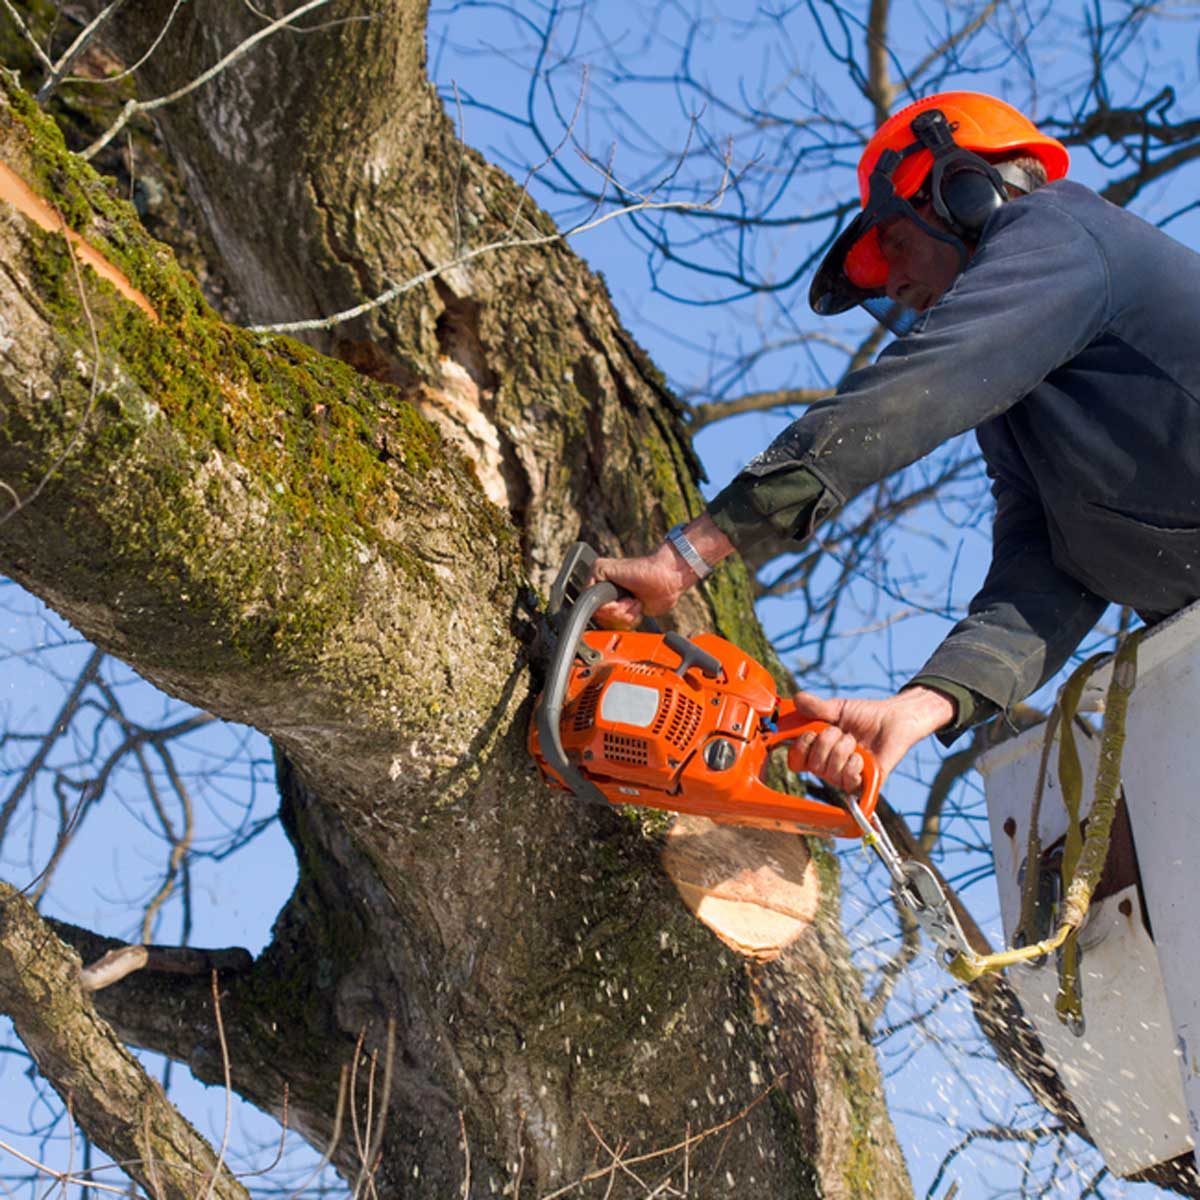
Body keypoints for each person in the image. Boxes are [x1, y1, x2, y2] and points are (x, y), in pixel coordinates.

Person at [592, 90, 1200, 795]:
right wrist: (919, 708)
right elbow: (1046, 576)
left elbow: (912, 391)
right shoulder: (1022, 411)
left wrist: (686, 554)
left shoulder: (1062, 232)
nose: (900, 285)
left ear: (964, 191)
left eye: (898, 245)